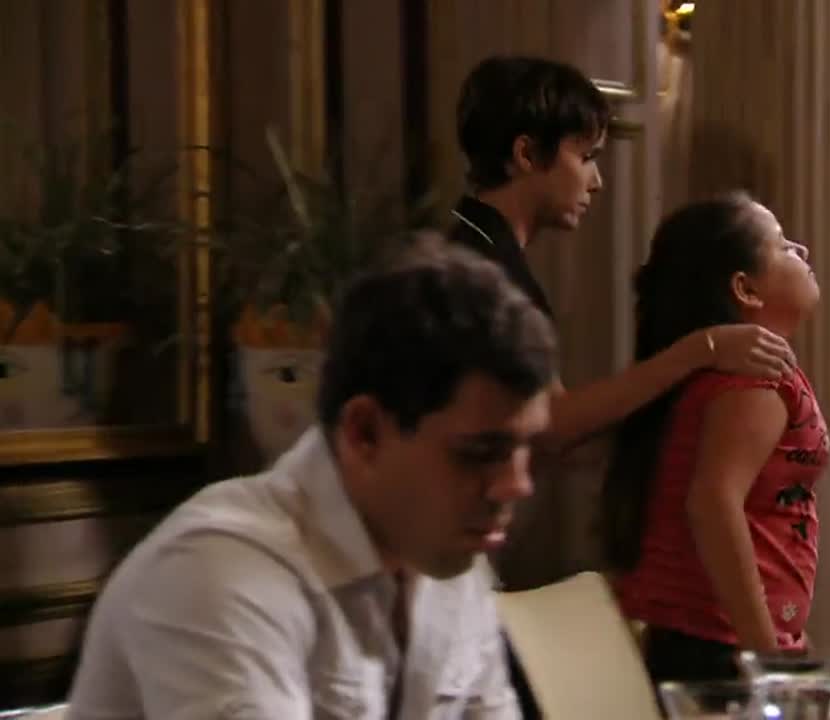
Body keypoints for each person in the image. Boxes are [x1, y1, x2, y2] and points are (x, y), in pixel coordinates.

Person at [65, 236, 556, 719]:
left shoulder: (449, 558)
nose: (517, 485)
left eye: (525, 446)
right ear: (365, 432)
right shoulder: (216, 570)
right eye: (481, 453)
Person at [447, 55, 796, 452]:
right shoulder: (485, 271)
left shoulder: (480, 249)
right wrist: (704, 348)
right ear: (526, 155)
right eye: (585, 157)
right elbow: (550, 424)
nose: (596, 181)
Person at [604, 192, 830, 683]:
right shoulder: (752, 383)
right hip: (714, 646)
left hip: (720, 639)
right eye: (783, 246)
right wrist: (765, 659)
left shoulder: (748, 374)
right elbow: (712, 504)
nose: (802, 250)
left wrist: (786, 635)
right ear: (746, 289)